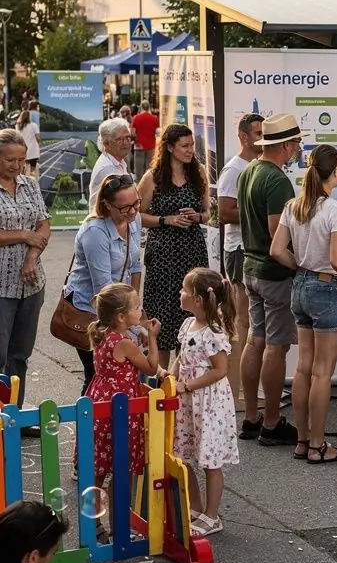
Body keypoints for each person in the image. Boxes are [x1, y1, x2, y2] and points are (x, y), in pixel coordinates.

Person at [271, 144, 337, 464]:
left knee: (304, 367)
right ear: (335, 172)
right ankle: (319, 446)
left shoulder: (294, 206)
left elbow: (277, 250)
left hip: (301, 286)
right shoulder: (335, 209)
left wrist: (301, 267)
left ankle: (303, 440)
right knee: (322, 372)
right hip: (326, 287)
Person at [237, 114, 302, 448]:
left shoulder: (249, 170)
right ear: (286, 146)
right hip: (273, 273)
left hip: (250, 266)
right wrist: (299, 264)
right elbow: (279, 238)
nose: (299, 148)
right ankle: (272, 422)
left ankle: (251, 417)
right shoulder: (277, 180)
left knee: (255, 341)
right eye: (297, 142)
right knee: (276, 348)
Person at [172, 268, 239, 538]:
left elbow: (220, 370)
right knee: (182, 455)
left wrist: (187, 385)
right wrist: (171, 377)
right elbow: (181, 358)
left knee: (210, 462)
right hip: (188, 403)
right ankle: (196, 508)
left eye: (184, 290)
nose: (180, 293)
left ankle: (212, 516)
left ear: (198, 299)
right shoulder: (188, 324)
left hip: (209, 404)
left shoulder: (212, 332)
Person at [138, 124, 209, 367]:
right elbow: (136, 215)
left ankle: (184, 377)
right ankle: (159, 378)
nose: (190, 150)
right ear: (169, 148)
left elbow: (208, 213)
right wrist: (165, 220)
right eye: (184, 146)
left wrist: (197, 216)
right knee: (163, 317)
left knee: (190, 313)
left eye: (192, 145)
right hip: (163, 256)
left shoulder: (198, 173)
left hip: (192, 251)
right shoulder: (153, 178)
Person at [64, 174, 143, 391]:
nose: (133, 212)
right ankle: (88, 411)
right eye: (125, 208)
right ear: (108, 205)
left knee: (121, 375)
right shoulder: (95, 233)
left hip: (120, 306)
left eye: (136, 203)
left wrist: (134, 306)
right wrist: (129, 324)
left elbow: (135, 266)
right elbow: (103, 288)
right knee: (97, 375)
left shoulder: (134, 220)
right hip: (91, 309)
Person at [86, 284, 160, 496]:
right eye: (136, 307)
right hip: (121, 405)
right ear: (120, 317)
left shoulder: (102, 333)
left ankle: (94, 514)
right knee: (122, 464)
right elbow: (151, 367)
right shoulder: (124, 342)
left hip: (100, 398)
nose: (140, 310)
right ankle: (119, 514)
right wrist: (152, 337)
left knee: (100, 463)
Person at [0, 130, 49, 422]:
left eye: (21, 159)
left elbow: (44, 225)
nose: (17, 165)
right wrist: (23, 234)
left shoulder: (29, 185)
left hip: (30, 284)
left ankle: (14, 417)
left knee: (19, 356)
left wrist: (31, 257)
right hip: (1, 287)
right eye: (10, 160)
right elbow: (31, 232)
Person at [217, 114, 263, 386]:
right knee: (242, 319)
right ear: (244, 137)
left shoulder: (258, 165)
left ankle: (248, 381)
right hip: (238, 249)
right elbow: (224, 213)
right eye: (258, 133)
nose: (262, 138)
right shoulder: (234, 169)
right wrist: (261, 214)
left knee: (254, 319)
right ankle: (236, 384)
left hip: (254, 249)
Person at [88, 117, 133, 209]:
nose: (125, 143)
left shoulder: (116, 160)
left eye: (128, 137)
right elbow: (124, 203)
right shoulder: (108, 168)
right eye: (120, 139)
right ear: (106, 144)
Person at [131, 100, 160, 181]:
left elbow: (132, 133)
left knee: (138, 167)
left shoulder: (136, 118)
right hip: (151, 145)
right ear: (149, 107)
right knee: (150, 166)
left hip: (139, 146)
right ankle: (149, 182)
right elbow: (158, 132)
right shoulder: (154, 118)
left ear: (141, 107)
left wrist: (135, 140)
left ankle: (139, 183)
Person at [16, 109, 40, 177]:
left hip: (22, 149)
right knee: (32, 172)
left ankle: (23, 180)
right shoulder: (34, 125)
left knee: (22, 170)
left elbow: (17, 137)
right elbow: (38, 138)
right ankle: (31, 180)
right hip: (33, 151)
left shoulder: (18, 126)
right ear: (29, 117)